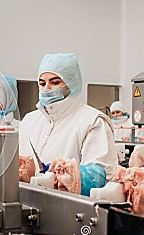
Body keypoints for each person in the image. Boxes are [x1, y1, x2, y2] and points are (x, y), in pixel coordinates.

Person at [19, 53, 117, 195]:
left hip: (67, 209)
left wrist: (61, 174)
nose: (47, 88)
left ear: (71, 83)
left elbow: (100, 177)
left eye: (55, 82)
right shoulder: (29, 120)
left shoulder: (92, 120)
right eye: (42, 83)